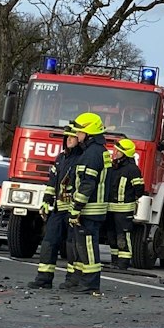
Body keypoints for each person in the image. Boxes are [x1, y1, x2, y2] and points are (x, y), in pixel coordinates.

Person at [31, 119, 85, 288]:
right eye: (67, 137)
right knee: (49, 242)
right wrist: (46, 201)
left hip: (73, 211)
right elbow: (52, 182)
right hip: (58, 208)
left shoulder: (82, 159)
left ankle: (72, 280)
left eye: (72, 137)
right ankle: (44, 279)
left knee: (72, 246)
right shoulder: (60, 158)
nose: (69, 140)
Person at [64, 113, 112, 294]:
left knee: (88, 248)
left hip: (89, 210)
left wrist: (76, 208)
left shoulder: (92, 154)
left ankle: (90, 284)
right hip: (92, 209)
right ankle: (79, 281)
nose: (76, 136)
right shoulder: (98, 151)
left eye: (79, 132)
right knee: (81, 246)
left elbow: (87, 185)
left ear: (88, 133)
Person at [103, 137, 146, 266]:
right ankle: (115, 260)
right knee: (111, 235)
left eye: (118, 151)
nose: (115, 153)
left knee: (123, 235)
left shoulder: (132, 170)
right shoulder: (113, 167)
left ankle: (124, 261)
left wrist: (131, 198)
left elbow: (139, 189)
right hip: (110, 208)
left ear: (125, 154)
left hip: (124, 209)